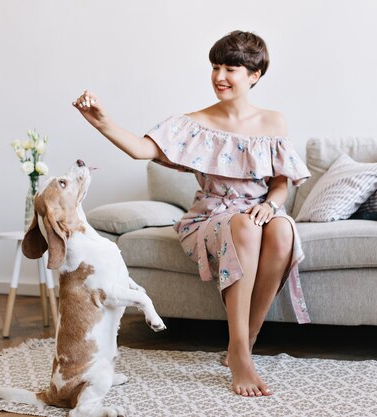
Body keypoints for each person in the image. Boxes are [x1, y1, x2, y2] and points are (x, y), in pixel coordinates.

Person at [73, 30, 311, 398]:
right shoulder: (193, 123)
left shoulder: (273, 122)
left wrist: (271, 205)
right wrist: (101, 121)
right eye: (215, 67)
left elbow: (282, 182)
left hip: (258, 212)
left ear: (254, 75)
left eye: (231, 68)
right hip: (211, 216)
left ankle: (245, 342)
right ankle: (241, 354)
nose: (219, 76)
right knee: (245, 228)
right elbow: (141, 150)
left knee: (282, 231)